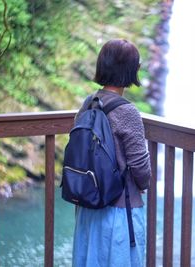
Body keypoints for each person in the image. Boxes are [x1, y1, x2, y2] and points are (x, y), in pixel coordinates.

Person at [72, 39, 152, 267]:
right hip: (119, 211)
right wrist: (143, 185)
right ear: (129, 70)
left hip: (89, 205)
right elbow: (141, 168)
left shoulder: (88, 103)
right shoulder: (127, 112)